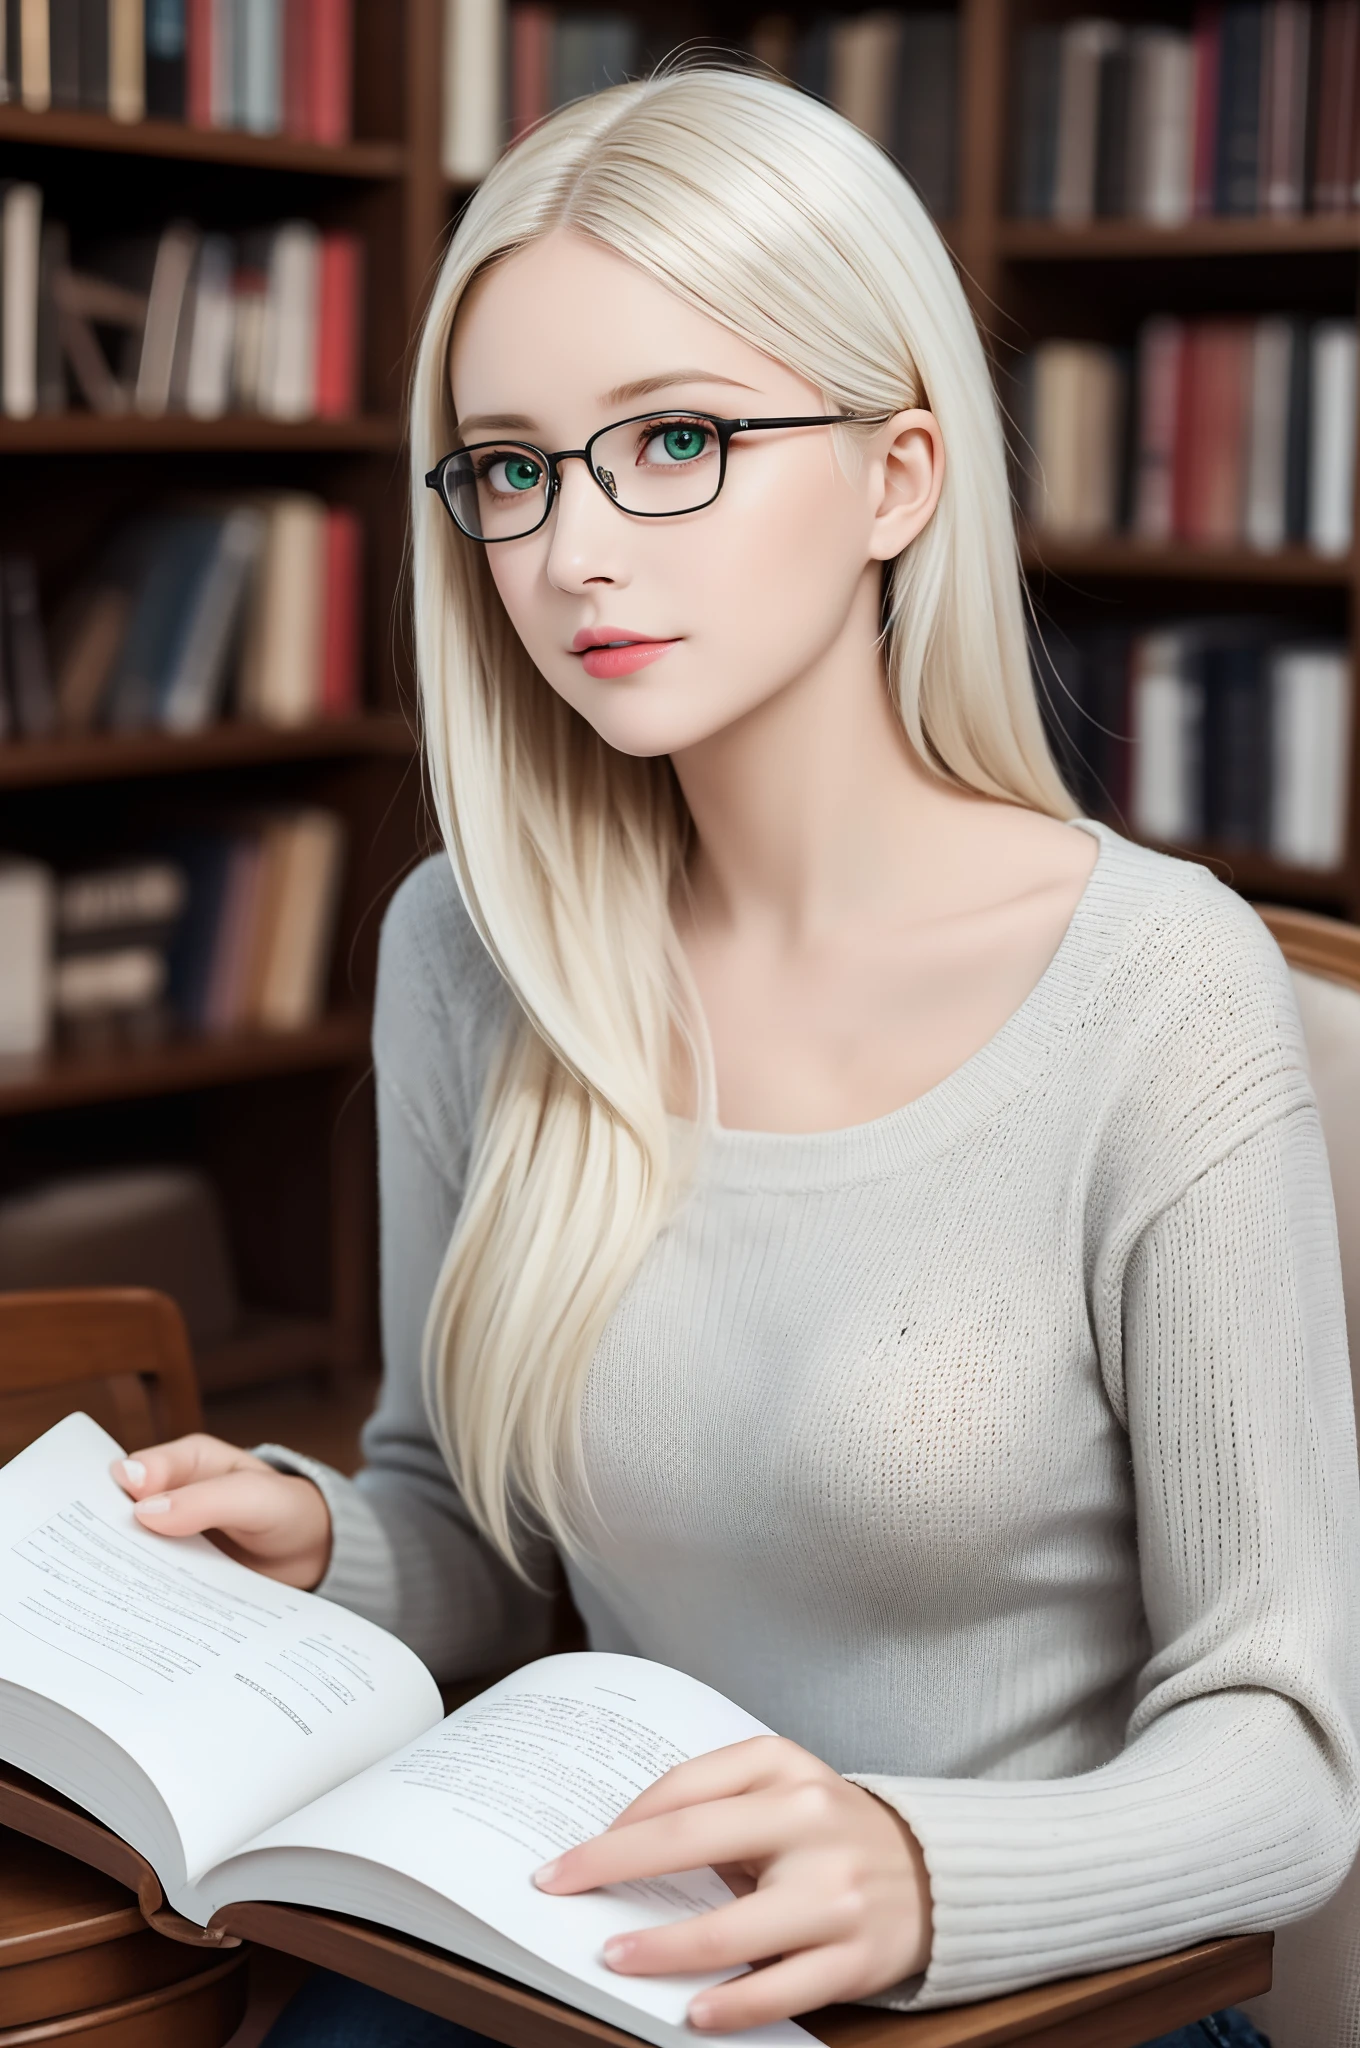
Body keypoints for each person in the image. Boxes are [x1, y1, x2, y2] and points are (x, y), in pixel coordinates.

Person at [111, 65, 1359, 2048]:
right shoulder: (468, 944)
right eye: (509, 467)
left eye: (671, 439)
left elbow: (1284, 1755)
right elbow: (464, 1534)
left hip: (1021, 1999)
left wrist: (919, 1865)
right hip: (597, 1965)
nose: (570, 550)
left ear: (895, 477)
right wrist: (323, 1536)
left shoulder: (1157, 992)